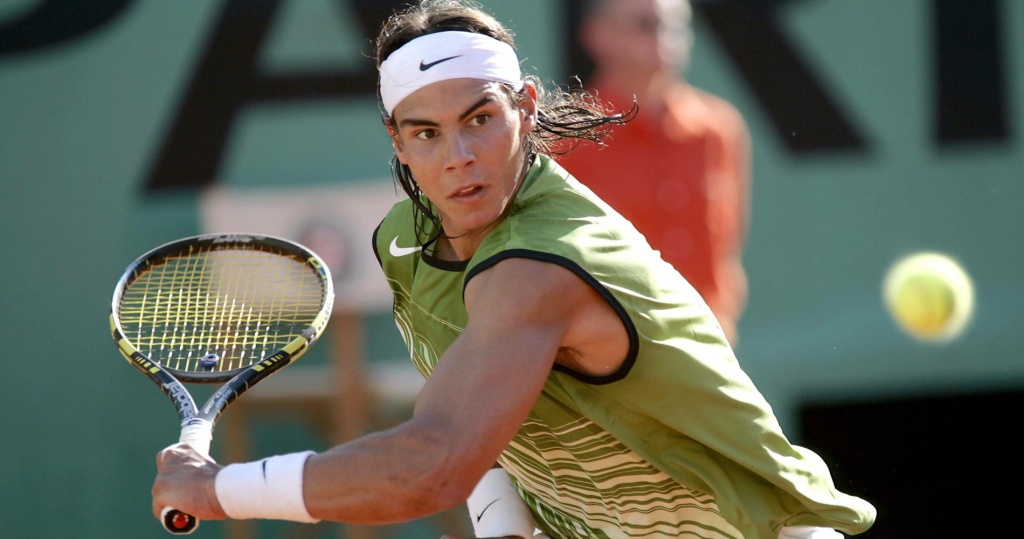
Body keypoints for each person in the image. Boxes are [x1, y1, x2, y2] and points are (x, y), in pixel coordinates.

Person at [151, 1, 876, 538]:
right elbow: (490, 426)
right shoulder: (406, 242)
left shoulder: (542, 265)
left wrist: (222, 488)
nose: (458, 156)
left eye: (480, 118)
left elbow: (434, 462)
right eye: (426, 132)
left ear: (526, 110)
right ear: (396, 142)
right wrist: (506, 528)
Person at [557, 0, 750, 345]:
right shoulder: (562, 139)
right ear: (597, 35)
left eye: (676, 26)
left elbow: (725, 251)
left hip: (706, 348)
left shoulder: (719, 130)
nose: (666, 39)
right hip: (606, 357)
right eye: (646, 25)